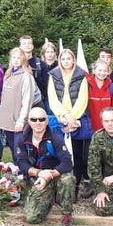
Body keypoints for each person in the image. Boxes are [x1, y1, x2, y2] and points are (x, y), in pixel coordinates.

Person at [14, 107, 76, 226]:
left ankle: (67, 215)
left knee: (68, 179)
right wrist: (39, 173)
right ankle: (52, 197)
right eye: (34, 119)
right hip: (37, 177)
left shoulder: (55, 138)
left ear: (46, 121)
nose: (38, 122)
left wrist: (49, 175)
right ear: (29, 121)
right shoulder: (22, 139)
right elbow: (22, 163)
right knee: (32, 218)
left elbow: (67, 162)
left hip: (56, 175)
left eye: (41, 119)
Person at [47, 48, 91, 199]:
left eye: (68, 58)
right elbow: (52, 98)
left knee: (77, 156)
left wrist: (72, 118)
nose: (66, 61)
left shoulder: (82, 76)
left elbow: (82, 99)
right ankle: (58, 189)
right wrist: (64, 115)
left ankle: (75, 189)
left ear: (73, 60)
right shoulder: (53, 75)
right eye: (63, 59)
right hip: (61, 119)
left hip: (76, 120)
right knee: (59, 155)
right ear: (60, 60)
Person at [0, 47, 42, 153]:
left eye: (19, 57)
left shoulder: (26, 76)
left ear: (23, 59)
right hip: (7, 122)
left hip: (18, 121)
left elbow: (27, 101)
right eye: (14, 57)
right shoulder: (8, 75)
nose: (16, 60)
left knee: (21, 152)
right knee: (13, 150)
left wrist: (21, 120)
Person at [86, 60, 113, 134]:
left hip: (107, 130)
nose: (102, 73)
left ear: (108, 72)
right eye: (100, 70)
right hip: (88, 129)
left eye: (105, 71)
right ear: (94, 70)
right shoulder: (86, 86)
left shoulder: (112, 88)